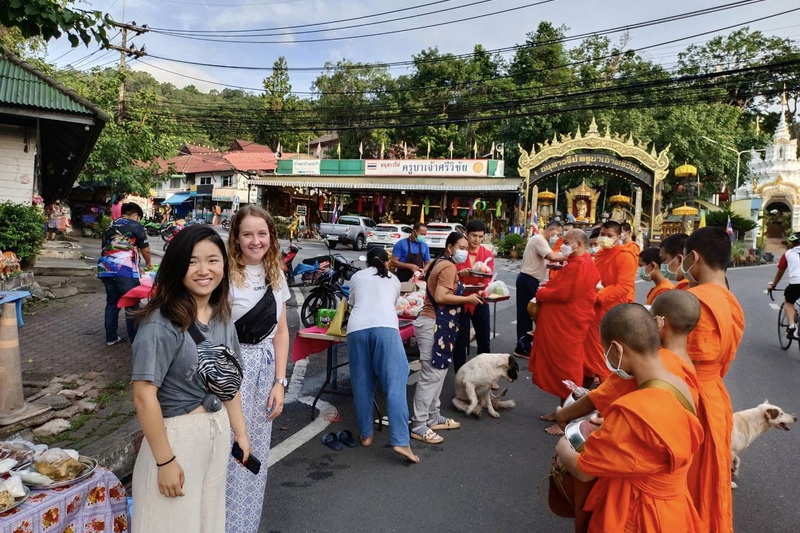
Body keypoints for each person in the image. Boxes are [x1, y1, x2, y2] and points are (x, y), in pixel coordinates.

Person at [130, 225, 250, 533]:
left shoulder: (222, 318)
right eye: (192, 261)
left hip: (217, 434)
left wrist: (240, 432)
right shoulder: (160, 325)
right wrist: (165, 461)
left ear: (224, 264)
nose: (203, 270)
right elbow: (144, 396)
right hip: (175, 440)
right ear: (177, 265)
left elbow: (228, 383)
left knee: (208, 524)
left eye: (212, 260)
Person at [555, 303, 703, 533]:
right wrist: (613, 429)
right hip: (675, 508)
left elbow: (585, 471)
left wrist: (563, 445)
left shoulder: (633, 412)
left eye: (606, 352)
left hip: (640, 513)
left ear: (616, 349)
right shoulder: (679, 380)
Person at [225, 206, 291, 531]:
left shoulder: (275, 275)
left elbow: (281, 332)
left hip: (265, 376)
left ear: (271, 237)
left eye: (261, 233)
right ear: (236, 238)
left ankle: (245, 526)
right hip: (230, 374)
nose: (255, 241)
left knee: (254, 458)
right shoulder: (223, 275)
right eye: (248, 234)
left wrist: (280, 382)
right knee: (228, 453)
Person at [555, 291, 702, 432]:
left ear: (658, 323)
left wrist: (563, 415)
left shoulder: (649, 365)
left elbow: (600, 397)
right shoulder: (686, 365)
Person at [682, 227, 745, 533]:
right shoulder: (731, 302)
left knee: (685, 479)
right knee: (710, 476)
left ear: (693, 257)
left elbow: (672, 364)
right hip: (716, 398)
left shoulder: (691, 302)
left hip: (687, 401)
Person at [347, 247, 419, 463]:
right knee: (395, 384)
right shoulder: (394, 280)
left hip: (356, 329)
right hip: (386, 329)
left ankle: (366, 434)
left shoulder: (357, 276)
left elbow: (352, 302)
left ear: (367, 262)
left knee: (361, 382)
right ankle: (401, 442)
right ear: (387, 262)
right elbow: (391, 303)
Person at [411, 232, 483, 444]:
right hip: (434, 324)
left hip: (439, 325)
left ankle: (433, 416)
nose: (464, 251)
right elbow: (442, 296)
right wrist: (468, 297)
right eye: (461, 247)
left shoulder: (440, 262)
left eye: (465, 247)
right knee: (431, 375)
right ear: (450, 248)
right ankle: (419, 424)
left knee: (440, 372)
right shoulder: (448, 266)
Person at [529, 229, 600, 435]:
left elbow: (564, 293)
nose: (562, 246)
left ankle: (568, 420)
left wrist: (542, 292)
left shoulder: (580, 265)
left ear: (578, 244)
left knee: (567, 369)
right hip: (565, 322)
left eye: (567, 242)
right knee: (561, 366)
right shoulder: (580, 263)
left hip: (568, 325)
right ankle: (562, 411)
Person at [581, 221, 637, 383]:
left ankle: (607, 392)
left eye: (609, 236)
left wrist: (600, 295)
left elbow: (624, 287)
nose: (605, 238)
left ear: (619, 237)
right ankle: (583, 392)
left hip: (609, 311)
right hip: (593, 309)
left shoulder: (625, 256)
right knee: (588, 353)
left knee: (602, 354)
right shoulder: (599, 254)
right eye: (602, 235)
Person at [97, 202, 153, 346]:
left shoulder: (109, 225)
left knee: (112, 304)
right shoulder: (135, 225)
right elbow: (145, 250)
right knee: (132, 304)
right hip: (124, 269)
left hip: (105, 267)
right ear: (135, 215)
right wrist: (148, 263)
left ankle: (111, 338)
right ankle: (134, 340)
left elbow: (106, 247)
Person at [514, 221, 566, 358]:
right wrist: (572, 255)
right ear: (552, 230)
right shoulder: (539, 239)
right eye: (558, 234)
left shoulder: (539, 240)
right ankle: (522, 347)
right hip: (528, 279)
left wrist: (552, 267)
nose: (558, 237)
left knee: (531, 313)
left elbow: (543, 261)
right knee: (528, 314)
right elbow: (553, 257)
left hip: (529, 279)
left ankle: (526, 344)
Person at [453, 220, 494, 373]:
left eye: (480, 236)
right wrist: (459, 274)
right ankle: (460, 375)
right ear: (466, 234)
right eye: (473, 236)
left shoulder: (487, 254)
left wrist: (483, 291)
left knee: (484, 340)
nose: (476, 240)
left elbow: (488, 278)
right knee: (460, 341)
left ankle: (485, 375)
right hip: (460, 300)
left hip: (480, 299)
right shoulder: (460, 253)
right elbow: (449, 275)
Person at [767, 231, 800, 338]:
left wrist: (773, 285)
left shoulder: (788, 254)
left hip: (796, 284)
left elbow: (779, 273)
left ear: (793, 243)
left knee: (789, 302)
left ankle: (791, 326)